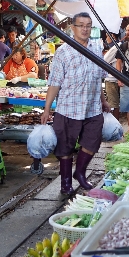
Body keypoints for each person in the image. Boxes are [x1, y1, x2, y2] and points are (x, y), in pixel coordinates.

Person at [41, 12, 110, 195]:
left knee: (92, 141)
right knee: (65, 146)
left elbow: (98, 79)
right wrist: (47, 109)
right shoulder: (63, 52)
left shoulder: (96, 48)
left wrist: (103, 100)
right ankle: (65, 183)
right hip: (68, 108)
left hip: (92, 107)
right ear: (73, 28)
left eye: (88, 25)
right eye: (81, 25)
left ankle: (80, 173)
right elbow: (54, 83)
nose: (85, 29)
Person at [103, 36, 121, 120]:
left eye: (107, 36)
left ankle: (115, 123)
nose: (106, 38)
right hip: (115, 78)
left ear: (112, 36)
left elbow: (104, 60)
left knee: (114, 104)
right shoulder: (117, 46)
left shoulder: (115, 47)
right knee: (115, 104)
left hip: (112, 79)